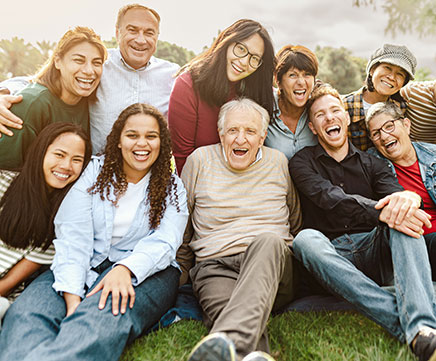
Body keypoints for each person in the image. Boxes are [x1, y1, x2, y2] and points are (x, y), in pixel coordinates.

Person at [0, 103, 189, 361]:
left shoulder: (172, 187)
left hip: (147, 272)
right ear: (119, 140)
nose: (141, 143)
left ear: (161, 142)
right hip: (82, 262)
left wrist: (125, 269)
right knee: (27, 314)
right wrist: (72, 298)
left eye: (151, 136)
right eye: (132, 135)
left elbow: (166, 241)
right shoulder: (94, 172)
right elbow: (73, 233)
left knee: (98, 319)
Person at [289, 84, 436, 361]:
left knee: (402, 219)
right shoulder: (301, 162)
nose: (330, 118)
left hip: (373, 248)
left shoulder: (374, 164)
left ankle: (420, 327)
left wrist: (405, 201)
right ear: (313, 127)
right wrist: (380, 211)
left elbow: (395, 198)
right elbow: (328, 197)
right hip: (332, 255)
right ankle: (409, 322)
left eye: (335, 111)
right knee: (304, 240)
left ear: (346, 118)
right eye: (321, 115)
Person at [178, 98, 302, 361]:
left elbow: (295, 218)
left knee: (267, 240)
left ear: (262, 136)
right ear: (221, 134)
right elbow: (182, 223)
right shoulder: (199, 161)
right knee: (232, 314)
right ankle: (247, 352)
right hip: (215, 267)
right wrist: (179, 275)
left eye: (249, 131)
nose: (240, 139)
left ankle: (228, 343)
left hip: (271, 264)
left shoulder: (278, 162)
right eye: (233, 131)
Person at [0, 4, 179, 154]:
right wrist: (3, 93)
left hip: (146, 175)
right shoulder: (98, 65)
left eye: (149, 33)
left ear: (157, 36)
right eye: (132, 30)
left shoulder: (173, 76)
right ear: (117, 33)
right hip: (93, 173)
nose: (141, 40)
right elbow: (39, 80)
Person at [0, 122, 92, 325]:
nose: (66, 166)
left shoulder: (63, 220)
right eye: (59, 155)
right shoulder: (4, 184)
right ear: (41, 152)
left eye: (77, 159)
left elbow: (7, 284)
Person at [168, 19, 275, 173]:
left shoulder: (256, 89)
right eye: (241, 49)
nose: (244, 62)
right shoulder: (188, 85)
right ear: (226, 42)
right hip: (204, 184)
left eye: (254, 59)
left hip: (250, 181)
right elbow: (183, 159)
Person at [0, 26, 106, 170]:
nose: (89, 71)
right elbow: (5, 171)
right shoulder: (32, 104)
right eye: (79, 60)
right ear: (58, 61)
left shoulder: (92, 101)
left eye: (96, 63)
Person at [365, 101, 436, 254]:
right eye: (376, 133)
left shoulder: (433, 154)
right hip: (415, 243)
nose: (384, 136)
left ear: (406, 125)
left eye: (389, 126)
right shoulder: (371, 165)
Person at [343, 43, 416, 151]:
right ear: (372, 70)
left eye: (400, 74)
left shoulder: (401, 108)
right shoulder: (344, 106)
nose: (391, 77)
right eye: (387, 68)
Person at [264, 45, 318, 159]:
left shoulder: (318, 108)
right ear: (278, 82)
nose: (301, 82)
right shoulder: (264, 107)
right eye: (292, 75)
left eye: (307, 74)